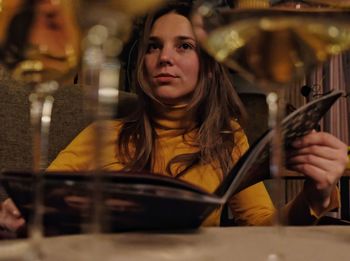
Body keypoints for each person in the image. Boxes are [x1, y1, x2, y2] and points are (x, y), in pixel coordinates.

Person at [0, 2, 348, 232]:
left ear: (208, 66)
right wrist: (16, 212)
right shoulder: (104, 132)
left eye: (184, 46)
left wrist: (313, 198)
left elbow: (260, 224)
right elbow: (38, 198)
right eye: (153, 45)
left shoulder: (227, 137)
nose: (164, 57)